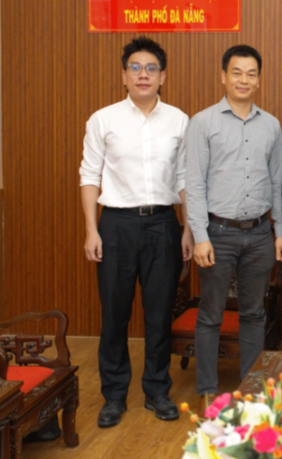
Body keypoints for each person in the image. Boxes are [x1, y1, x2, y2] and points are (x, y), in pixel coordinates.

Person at [80, 36, 194, 427]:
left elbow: (185, 178)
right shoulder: (103, 119)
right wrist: (91, 230)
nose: (143, 75)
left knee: (159, 313)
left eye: (151, 68)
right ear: (124, 75)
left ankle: (157, 391)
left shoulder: (179, 120)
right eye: (135, 68)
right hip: (116, 225)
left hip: (163, 223)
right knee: (114, 313)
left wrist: (188, 229)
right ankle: (113, 396)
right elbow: (89, 175)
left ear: (163, 76)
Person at [184, 44, 282, 407]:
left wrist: (280, 231)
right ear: (223, 76)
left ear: (259, 80)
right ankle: (207, 390)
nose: (244, 80)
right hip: (218, 234)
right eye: (237, 72)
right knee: (211, 315)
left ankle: (251, 389)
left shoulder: (271, 125)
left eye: (251, 73)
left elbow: (277, 182)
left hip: (260, 234)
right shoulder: (203, 123)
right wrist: (200, 236)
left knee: (254, 314)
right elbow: (194, 184)